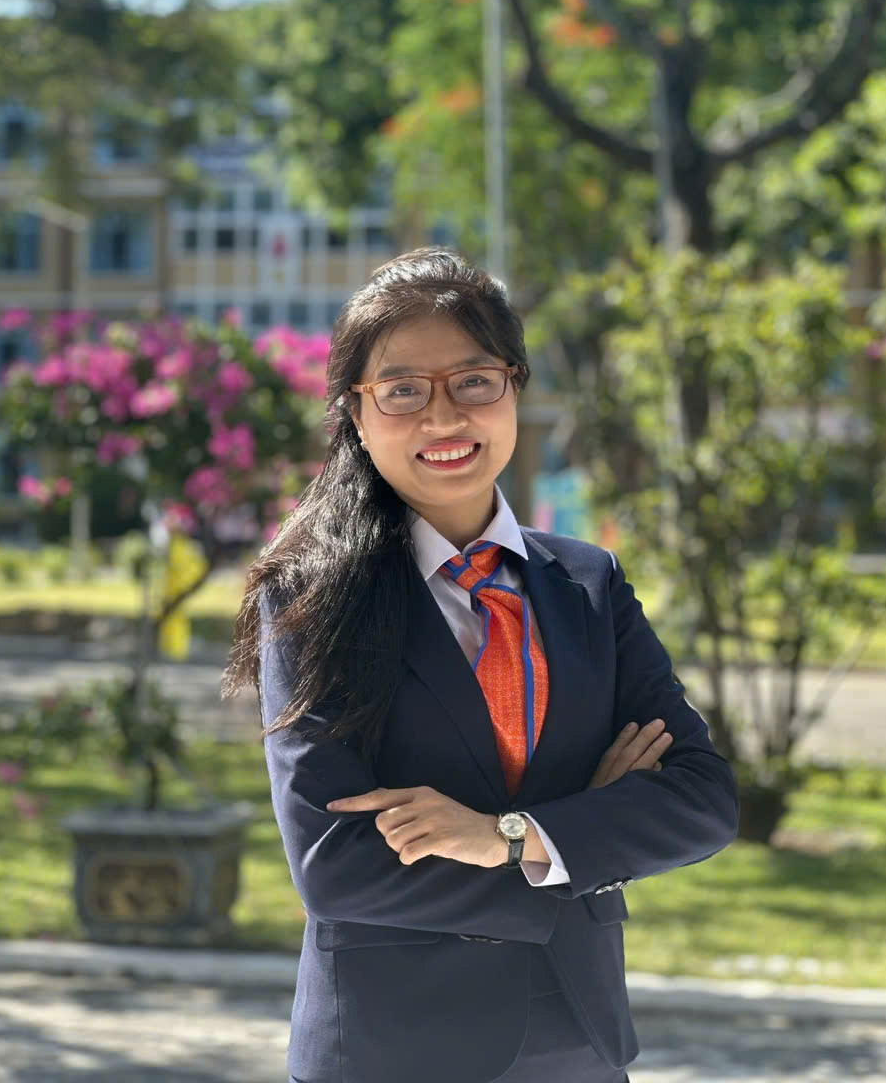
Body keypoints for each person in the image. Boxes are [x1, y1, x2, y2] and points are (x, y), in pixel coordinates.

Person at [223, 248, 739, 1083]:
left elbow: (704, 801)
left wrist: (509, 838)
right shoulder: (311, 599)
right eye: (402, 390)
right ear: (355, 411)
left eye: (473, 381)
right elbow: (335, 868)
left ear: (514, 386)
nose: (443, 417)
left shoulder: (588, 583)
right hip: (395, 1050)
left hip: (580, 1042)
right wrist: (585, 833)